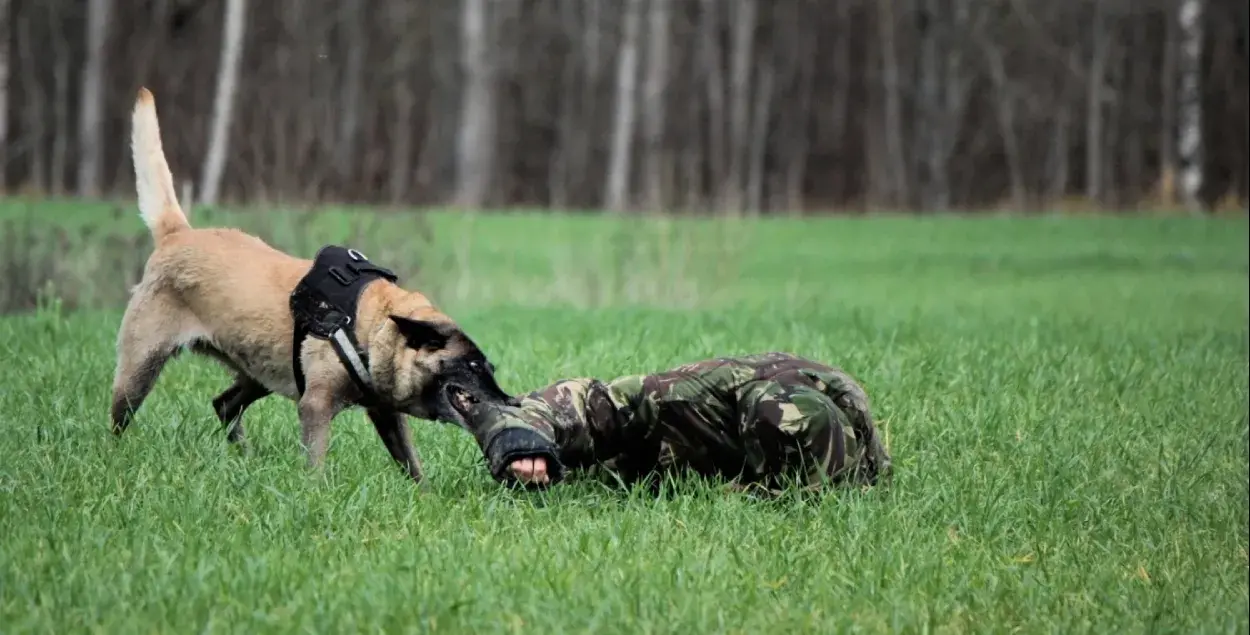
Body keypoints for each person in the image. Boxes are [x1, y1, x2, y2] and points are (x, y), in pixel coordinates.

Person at [451, 352, 893, 494]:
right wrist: (519, 436)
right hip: (678, 434)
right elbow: (588, 402)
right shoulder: (679, 398)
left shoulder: (837, 435)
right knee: (599, 467)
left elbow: (806, 511)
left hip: (826, 439)